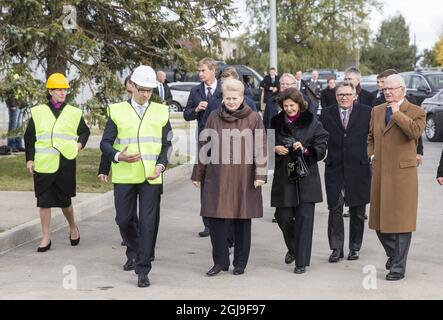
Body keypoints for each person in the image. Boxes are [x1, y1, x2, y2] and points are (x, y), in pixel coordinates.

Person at [100, 65, 172, 288]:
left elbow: (167, 144)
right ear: (132, 87)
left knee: (149, 223)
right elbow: (105, 143)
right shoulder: (117, 110)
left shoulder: (161, 111)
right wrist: (118, 156)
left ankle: (143, 268)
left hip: (151, 176)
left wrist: (161, 164)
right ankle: (136, 249)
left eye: (149, 90)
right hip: (124, 175)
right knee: (123, 219)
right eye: (141, 89)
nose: (145, 94)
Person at [191, 79, 267, 276]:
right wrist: (198, 173)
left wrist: (260, 174)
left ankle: (240, 263)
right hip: (217, 175)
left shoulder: (253, 118)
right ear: (223, 98)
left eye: (235, 98)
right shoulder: (214, 117)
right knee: (215, 219)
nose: (231, 101)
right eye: (228, 98)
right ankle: (220, 262)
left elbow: (261, 148)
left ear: (242, 98)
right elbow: (204, 146)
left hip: (245, 176)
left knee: (242, 220)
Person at [368, 74, 425, 281]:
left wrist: (397, 113)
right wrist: (372, 154)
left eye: (391, 89)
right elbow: (371, 137)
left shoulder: (417, 111)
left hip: (403, 175)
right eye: (385, 89)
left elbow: (414, 132)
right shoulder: (376, 110)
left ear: (403, 90)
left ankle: (398, 268)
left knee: (402, 223)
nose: (388, 92)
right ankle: (395, 255)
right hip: (380, 172)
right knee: (379, 223)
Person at [23, 73, 90, 252]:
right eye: (59, 89)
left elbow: (85, 132)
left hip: (65, 164)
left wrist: (79, 145)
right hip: (43, 164)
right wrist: (29, 159)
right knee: (43, 201)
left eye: (65, 89)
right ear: (50, 91)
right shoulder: (38, 112)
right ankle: (46, 237)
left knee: (64, 201)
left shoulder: (74, 113)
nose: (62, 92)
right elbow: (29, 138)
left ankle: (73, 227)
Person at [270, 87, 328, 273]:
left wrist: (304, 150)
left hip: (306, 177)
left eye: (292, 105)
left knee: (304, 218)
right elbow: (266, 143)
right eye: (285, 105)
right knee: (282, 215)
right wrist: (275, 149)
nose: (289, 109)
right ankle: (294, 248)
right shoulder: (276, 121)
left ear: (299, 104)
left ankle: (301, 262)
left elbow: (322, 145)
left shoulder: (312, 121)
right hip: (284, 176)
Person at [320, 82, 372, 262]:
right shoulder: (326, 113)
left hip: (359, 168)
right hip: (334, 168)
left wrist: (371, 155)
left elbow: (374, 136)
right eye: (341, 94)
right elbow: (319, 136)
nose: (344, 97)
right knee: (334, 208)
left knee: (357, 211)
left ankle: (355, 247)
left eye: (348, 94)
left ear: (355, 95)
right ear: (336, 96)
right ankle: (336, 248)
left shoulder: (367, 112)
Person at [183, 57, 221, 237]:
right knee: (204, 180)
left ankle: (222, 218)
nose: (200, 74)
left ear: (213, 70)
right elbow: (187, 115)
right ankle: (207, 223)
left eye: (203, 70)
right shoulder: (196, 90)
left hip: (224, 140)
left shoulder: (224, 89)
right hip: (203, 140)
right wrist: (197, 109)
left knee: (221, 179)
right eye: (199, 71)